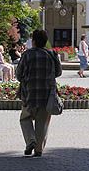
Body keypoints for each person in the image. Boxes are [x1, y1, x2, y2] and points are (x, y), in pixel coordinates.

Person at [16, 29, 62, 157]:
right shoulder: (52, 54)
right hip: (47, 93)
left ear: (34, 41)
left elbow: (19, 74)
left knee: (25, 118)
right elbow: (58, 73)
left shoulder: (27, 54)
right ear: (46, 41)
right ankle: (38, 150)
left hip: (29, 93)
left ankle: (30, 140)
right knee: (42, 122)